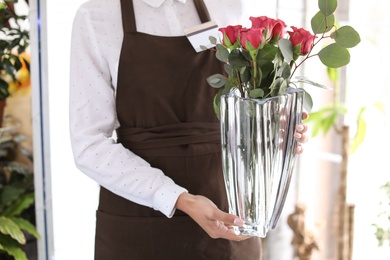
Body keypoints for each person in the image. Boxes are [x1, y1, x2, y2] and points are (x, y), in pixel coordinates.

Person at [69, 0, 309, 259]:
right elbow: (89, 144)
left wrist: (273, 134)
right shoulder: (97, 17)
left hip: (225, 216)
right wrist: (179, 198)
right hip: (139, 219)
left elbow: (244, 113)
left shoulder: (229, 7)